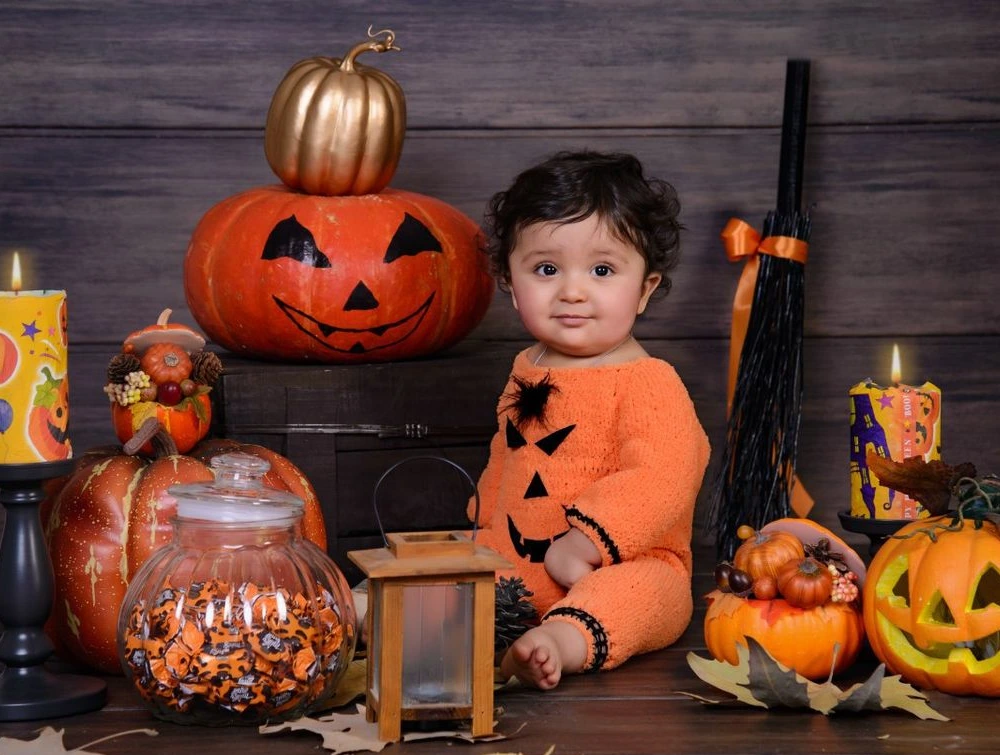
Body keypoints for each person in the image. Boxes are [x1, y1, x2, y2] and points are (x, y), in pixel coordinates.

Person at [471, 150, 711, 689]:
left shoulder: (647, 382)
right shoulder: (526, 367)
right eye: (546, 269)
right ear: (510, 283)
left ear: (644, 289)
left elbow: (664, 478)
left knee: (643, 595)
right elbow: (506, 456)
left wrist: (583, 544)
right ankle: (386, 617)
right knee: (457, 573)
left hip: (615, 564)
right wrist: (482, 524)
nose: (573, 291)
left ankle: (560, 641)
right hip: (519, 560)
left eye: (602, 271)